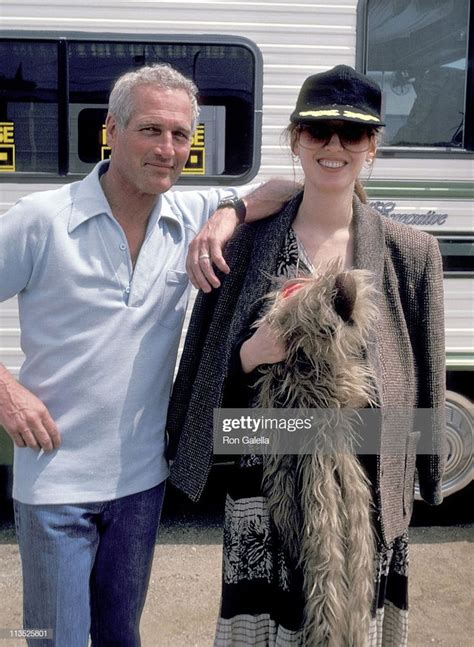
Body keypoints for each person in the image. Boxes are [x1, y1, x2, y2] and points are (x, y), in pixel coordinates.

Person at [0, 63, 297, 646]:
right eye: (150, 130)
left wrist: (227, 214)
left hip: (141, 482)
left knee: (120, 636)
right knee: (55, 638)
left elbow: (288, 189)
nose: (168, 149)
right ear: (110, 131)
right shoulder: (41, 220)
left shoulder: (188, 214)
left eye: (181, 135)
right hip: (53, 480)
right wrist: (5, 390)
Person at [167, 65, 447, 645]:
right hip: (263, 488)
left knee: (352, 630)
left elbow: (426, 378)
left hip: (369, 490)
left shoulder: (412, 253)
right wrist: (250, 353)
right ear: (295, 138)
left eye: (353, 133)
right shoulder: (242, 247)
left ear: (373, 146)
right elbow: (202, 376)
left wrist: (419, 477)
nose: (334, 146)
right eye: (318, 130)